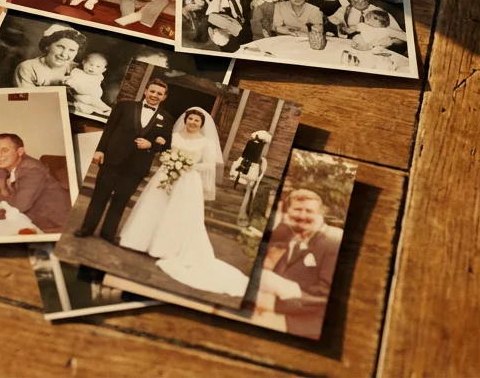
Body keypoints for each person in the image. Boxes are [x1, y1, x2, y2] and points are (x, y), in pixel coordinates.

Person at [116, 108, 251, 297]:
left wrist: (188, 164)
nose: (193, 122)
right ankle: (139, 241)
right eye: (190, 119)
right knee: (154, 207)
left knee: (179, 214)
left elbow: (209, 165)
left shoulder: (205, 142)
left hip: (188, 181)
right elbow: (165, 151)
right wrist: (170, 159)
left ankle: (165, 249)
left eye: (197, 120)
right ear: (185, 120)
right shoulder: (174, 136)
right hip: (166, 175)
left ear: (202, 124)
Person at [74, 78, 172, 243]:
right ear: (146, 91)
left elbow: (167, 144)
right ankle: (87, 228)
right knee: (100, 196)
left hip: (137, 166)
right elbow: (109, 129)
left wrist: (152, 145)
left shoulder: (167, 118)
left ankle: (108, 233)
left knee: (121, 200)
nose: (155, 95)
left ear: (164, 97)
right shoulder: (125, 106)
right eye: (152, 91)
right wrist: (99, 150)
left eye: (159, 94)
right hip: (113, 158)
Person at [258, 189, 340, 338]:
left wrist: (274, 304)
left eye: (309, 211)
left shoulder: (333, 241)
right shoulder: (289, 234)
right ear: (288, 211)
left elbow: (326, 295)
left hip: (307, 328)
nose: (302, 216)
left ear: (320, 213)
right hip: (276, 318)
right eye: (297, 209)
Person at [0, 133, 71, 232]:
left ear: (20, 151)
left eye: (4, 150)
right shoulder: (9, 165)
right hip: (35, 220)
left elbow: (19, 205)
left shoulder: (32, 171)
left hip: (58, 226)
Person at [13, 25, 85, 87]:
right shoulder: (28, 68)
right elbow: (28, 99)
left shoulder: (76, 68)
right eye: (60, 47)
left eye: (72, 50)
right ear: (48, 46)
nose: (64, 54)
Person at [329, 0, 404, 35]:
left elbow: (400, 37)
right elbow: (331, 20)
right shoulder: (344, 9)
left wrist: (387, 42)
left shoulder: (381, 13)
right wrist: (340, 26)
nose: (356, 2)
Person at [64, 53, 112, 117]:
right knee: (85, 101)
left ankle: (105, 109)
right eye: (91, 64)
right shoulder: (77, 72)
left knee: (93, 102)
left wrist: (72, 83)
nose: (92, 68)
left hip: (91, 95)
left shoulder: (97, 77)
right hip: (78, 94)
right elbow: (72, 80)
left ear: (103, 70)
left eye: (98, 66)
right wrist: (68, 80)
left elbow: (89, 89)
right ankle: (102, 109)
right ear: (84, 62)